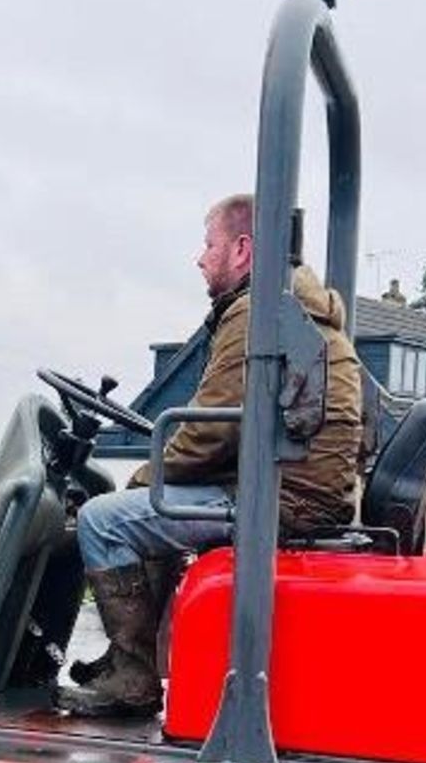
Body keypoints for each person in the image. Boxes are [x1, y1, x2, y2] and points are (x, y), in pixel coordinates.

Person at [63, 193, 364, 718]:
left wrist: (141, 478)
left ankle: (132, 675)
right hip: (293, 487)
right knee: (149, 509)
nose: (200, 258)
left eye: (209, 244)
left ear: (243, 249)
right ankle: (129, 661)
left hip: (281, 499)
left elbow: (208, 431)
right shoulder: (289, 308)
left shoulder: (257, 313)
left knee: (102, 519)